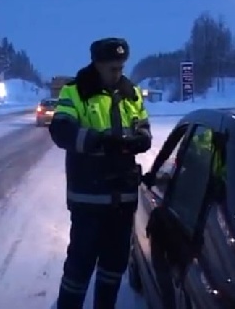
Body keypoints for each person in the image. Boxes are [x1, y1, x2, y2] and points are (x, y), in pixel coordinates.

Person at [49, 37, 152, 309]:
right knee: (79, 269)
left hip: (122, 200)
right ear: (97, 64)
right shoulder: (76, 91)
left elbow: (143, 127)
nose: (117, 73)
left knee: (113, 267)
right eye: (112, 68)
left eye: (120, 67)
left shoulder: (132, 93)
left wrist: (141, 139)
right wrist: (100, 140)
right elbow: (60, 130)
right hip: (89, 199)